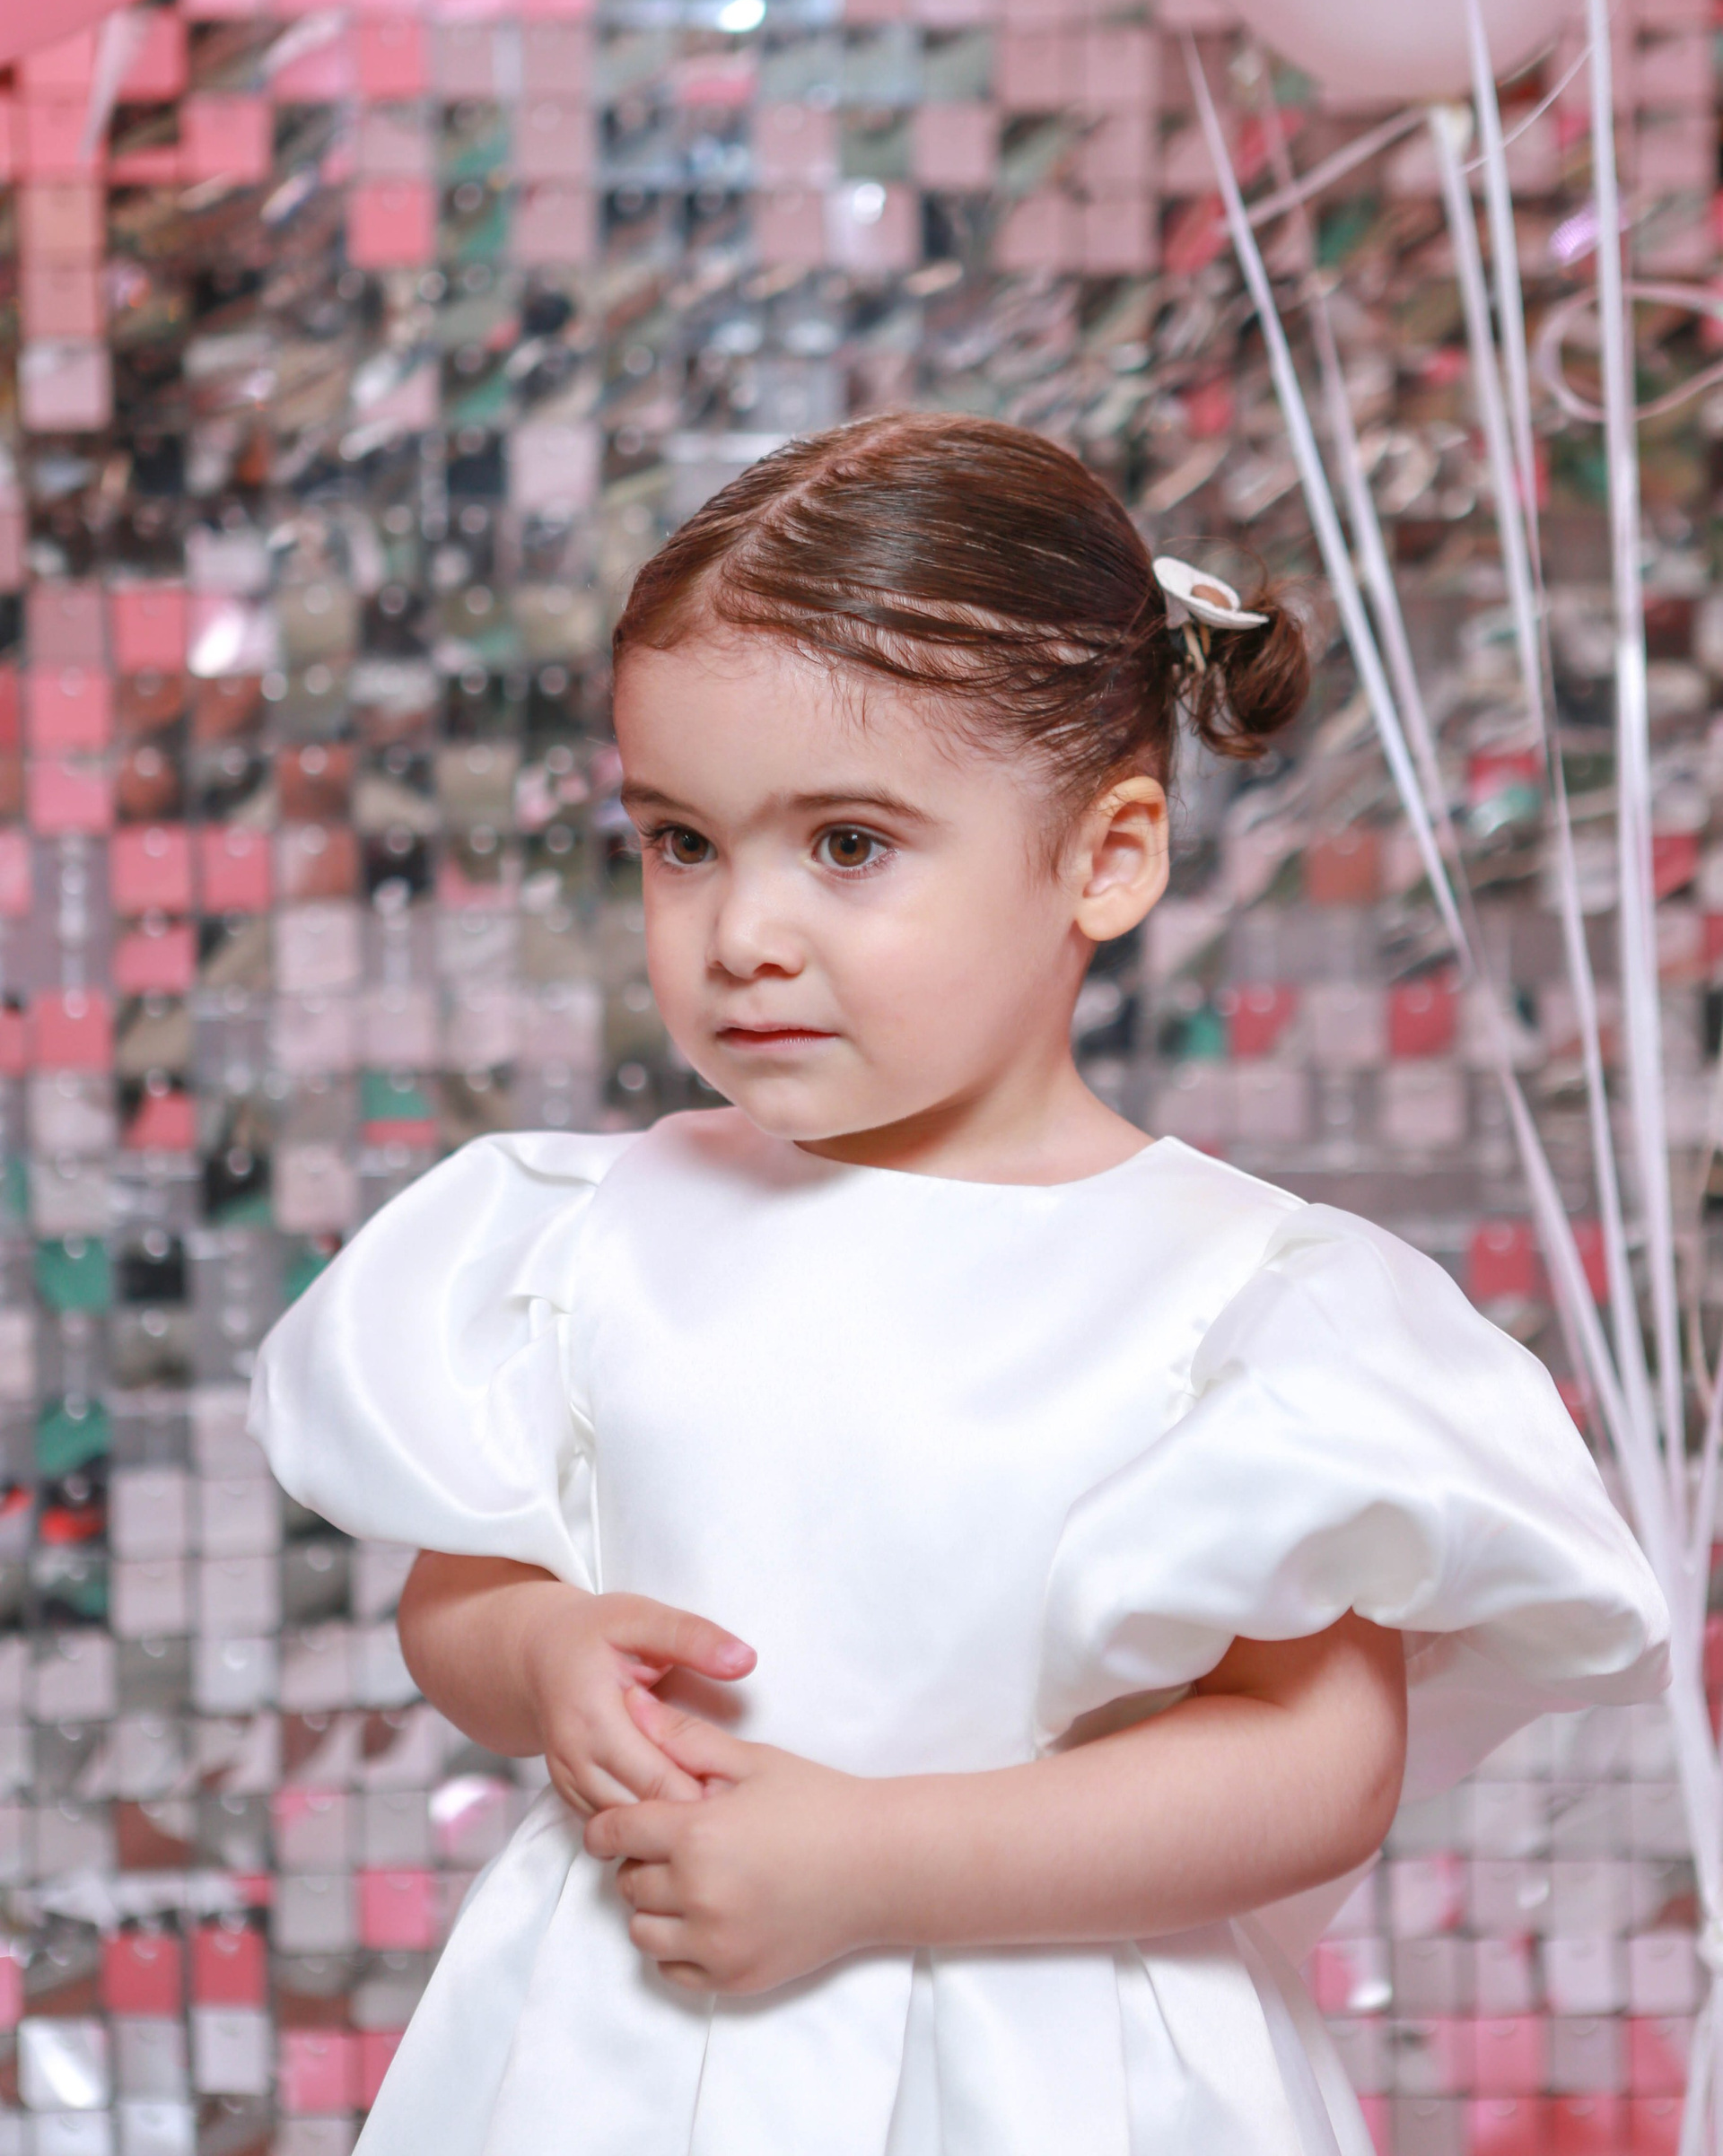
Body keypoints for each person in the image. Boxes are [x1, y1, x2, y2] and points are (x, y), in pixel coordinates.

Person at [249, 411, 1667, 2156]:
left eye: (847, 845)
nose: (742, 934)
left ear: (1106, 857)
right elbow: (460, 1594)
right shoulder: (586, 1231)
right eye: (682, 843)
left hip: (1059, 2069)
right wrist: (542, 1654)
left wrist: (874, 1864)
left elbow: (1315, 1766)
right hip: (630, 2045)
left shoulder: (1236, 1304)